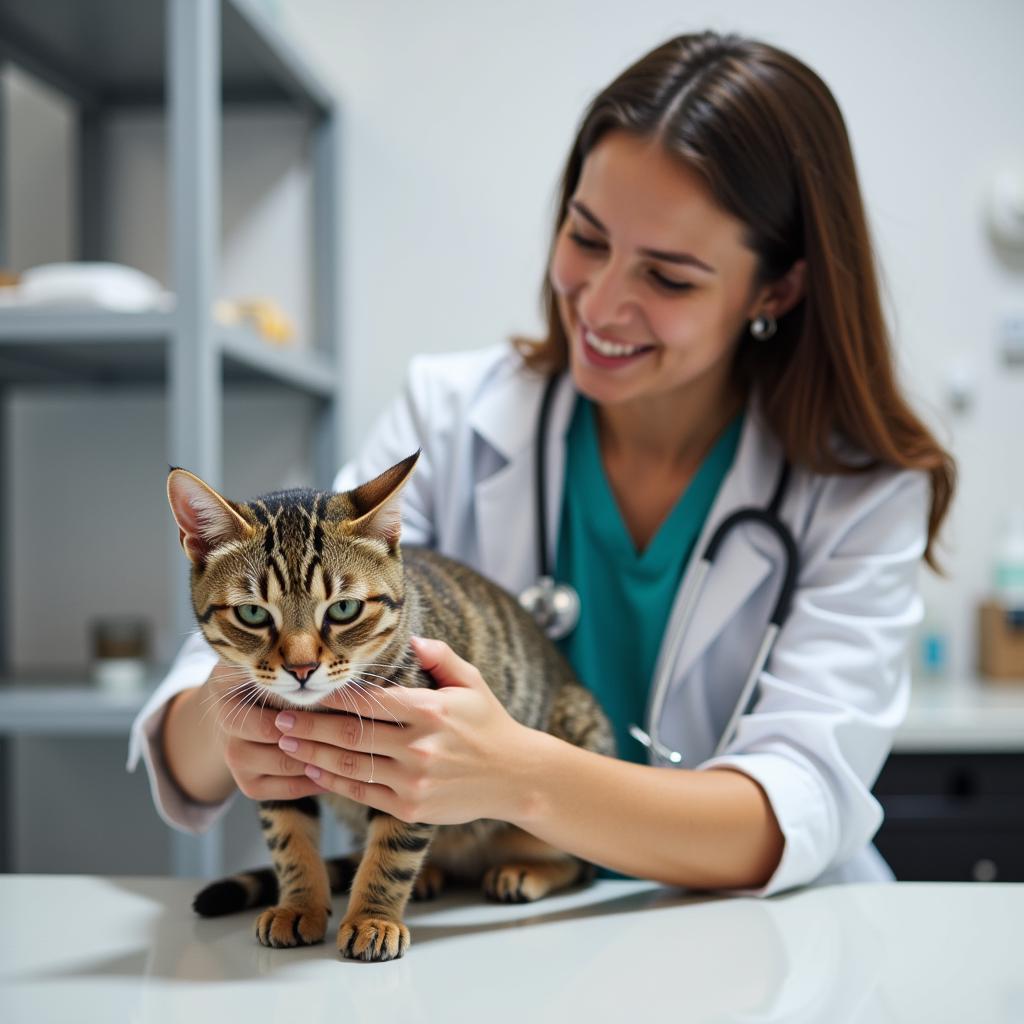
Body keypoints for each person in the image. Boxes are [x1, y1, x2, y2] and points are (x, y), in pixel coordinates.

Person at [128, 30, 955, 895]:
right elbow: (208, 718)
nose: (600, 304)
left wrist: (518, 776)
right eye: (587, 237)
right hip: (498, 923)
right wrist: (234, 728)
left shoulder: (858, 489)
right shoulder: (451, 415)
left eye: (669, 278)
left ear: (774, 291)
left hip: (759, 936)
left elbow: (799, 804)